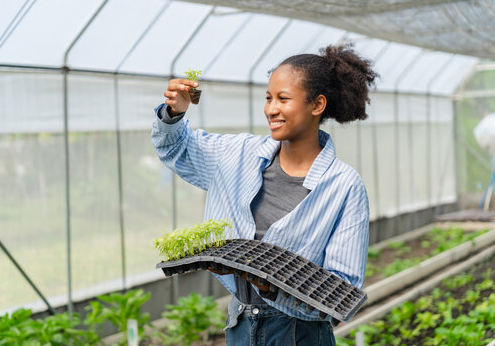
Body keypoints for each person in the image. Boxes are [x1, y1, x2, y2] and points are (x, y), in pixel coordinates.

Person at [152, 44, 378, 346]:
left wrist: (271, 287)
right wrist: (174, 113)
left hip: (299, 334)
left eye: (283, 99)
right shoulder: (238, 155)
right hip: (241, 325)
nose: (271, 109)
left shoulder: (343, 186)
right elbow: (177, 149)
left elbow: (342, 289)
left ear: (317, 105)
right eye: (268, 98)